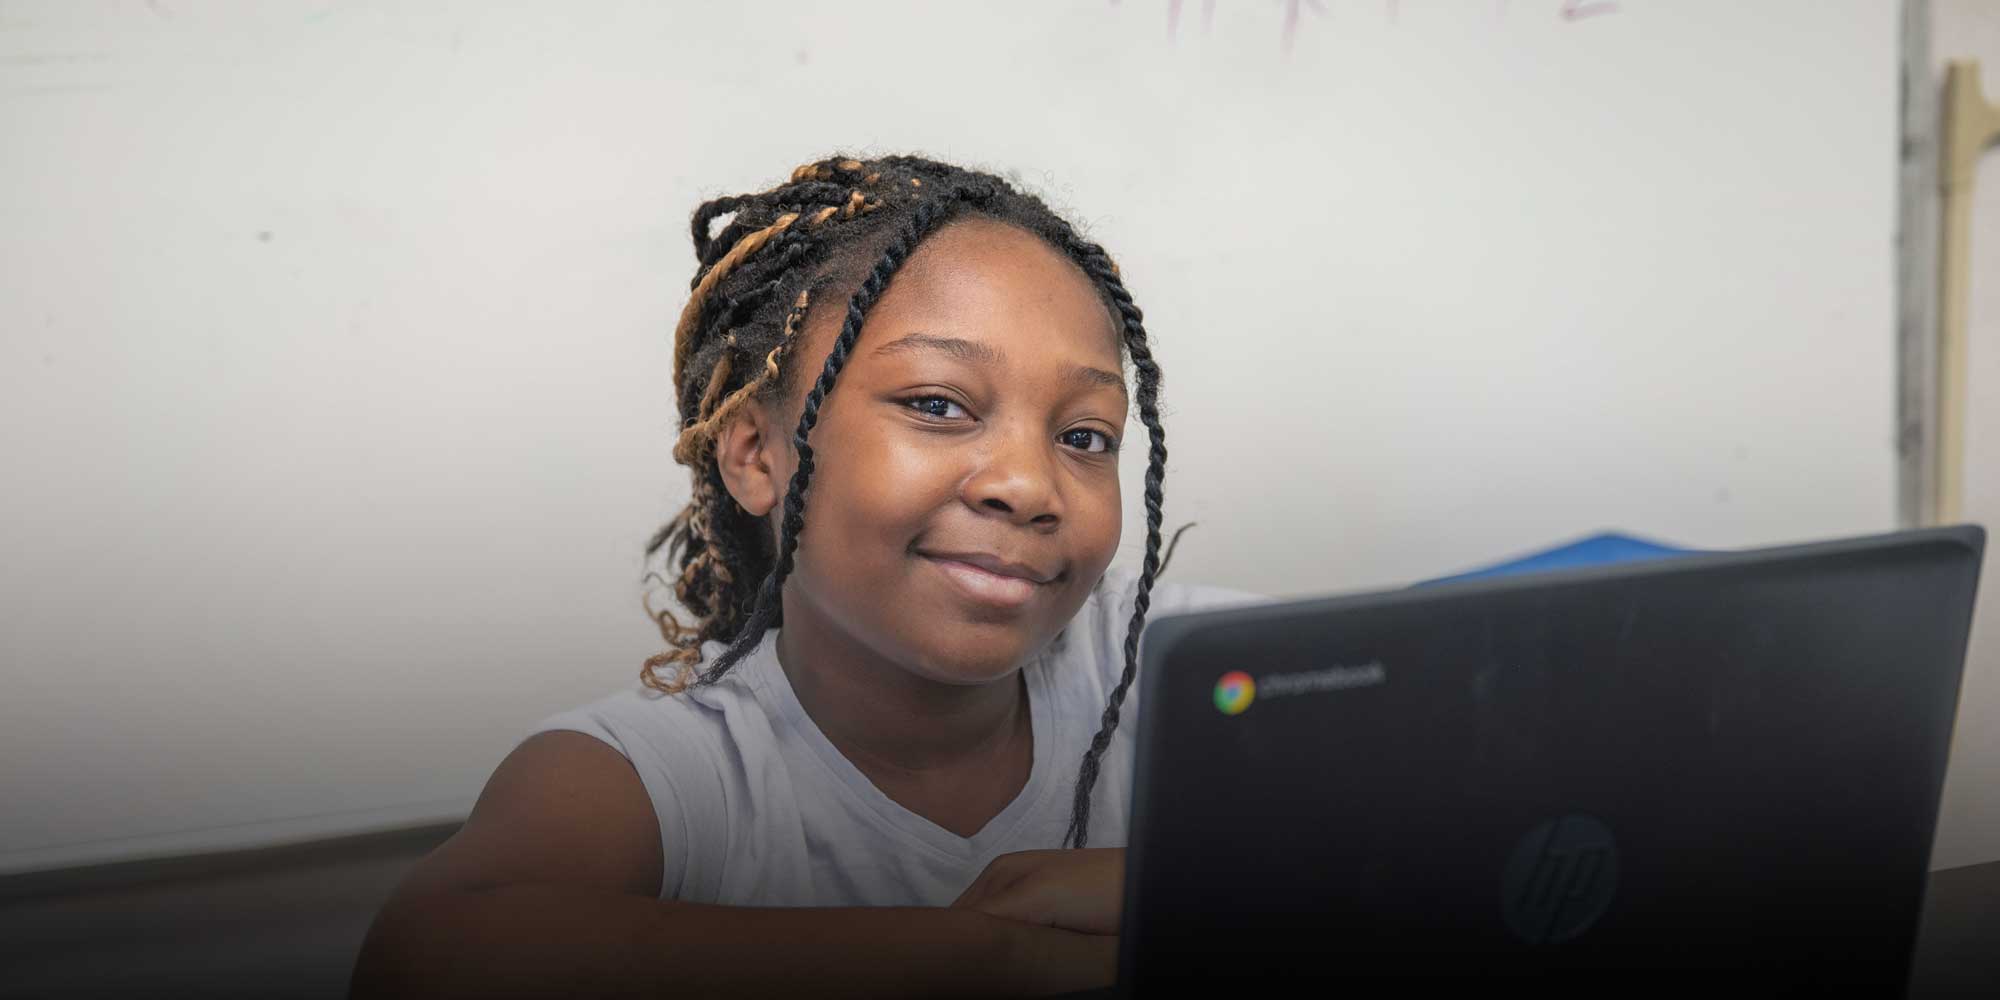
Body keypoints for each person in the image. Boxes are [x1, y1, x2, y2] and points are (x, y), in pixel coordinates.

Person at [350, 154, 1265, 998]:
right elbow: (423, 957)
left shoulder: (1176, 674)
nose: (1030, 486)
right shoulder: (673, 774)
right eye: (937, 405)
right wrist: (988, 953)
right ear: (757, 454)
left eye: (1083, 437)